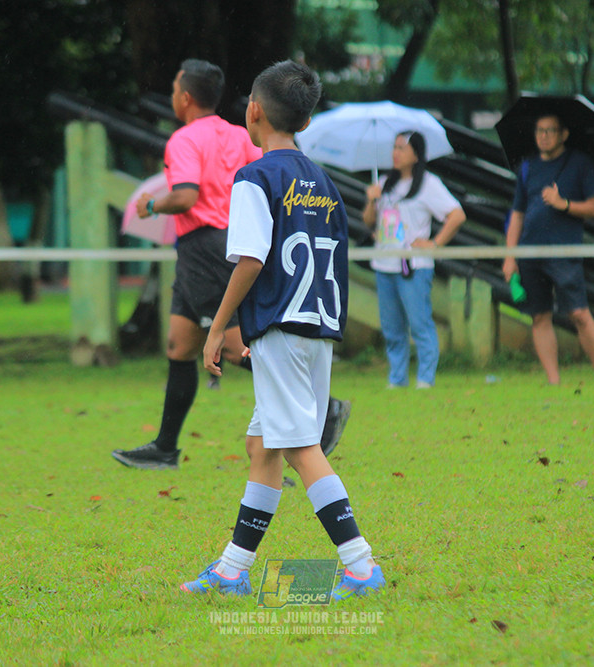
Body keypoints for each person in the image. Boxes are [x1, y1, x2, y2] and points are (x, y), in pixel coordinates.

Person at [182, 60, 384, 599]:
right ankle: (232, 571)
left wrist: (218, 327)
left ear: (252, 110)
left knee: (299, 446)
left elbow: (249, 259)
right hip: (316, 329)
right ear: (306, 121)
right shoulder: (323, 182)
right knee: (262, 446)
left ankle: (360, 564)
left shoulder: (255, 177)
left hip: (279, 331)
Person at [111, 59, 351, 471]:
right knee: (180, 343)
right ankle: (165, 447)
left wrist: (151, 204)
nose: (172, 97)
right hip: (229, 239)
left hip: (207, 245)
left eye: (173, 89)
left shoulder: (183, 139)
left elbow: (186, 196)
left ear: (185, 97)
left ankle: (320, 407)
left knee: (231, 340)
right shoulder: (239, 134)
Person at [501, 113, 594, 385]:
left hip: (564, 252)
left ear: (564, 134)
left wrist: (565, 204)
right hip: (529, 253)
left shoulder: (580, 164)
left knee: (579, 314)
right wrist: (510, 256)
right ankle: (553, 380)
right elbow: (517, 214)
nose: (544, 136)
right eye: (539, 130)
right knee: (539, 316)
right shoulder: (527, 167)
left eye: (550, 130)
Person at [363, 132, 466, 389]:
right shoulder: (384, 183)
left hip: (413, 266)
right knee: (392, 327)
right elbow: (368, 223)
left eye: (402, 148)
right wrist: (371, 201)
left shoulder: (429, 184)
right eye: (394, 147)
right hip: (384, 264)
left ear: (416, 154)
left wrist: (434, 244)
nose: (395, 153)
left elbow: (456, 215)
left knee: (420, 323)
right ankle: (397, 379)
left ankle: (425, 379)